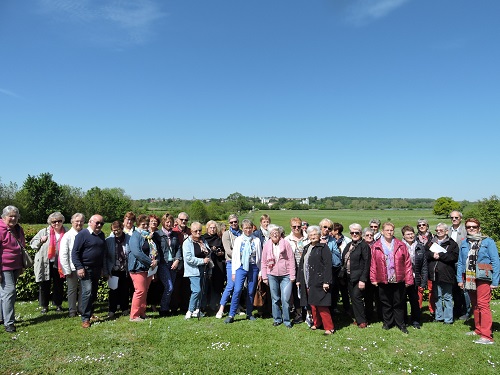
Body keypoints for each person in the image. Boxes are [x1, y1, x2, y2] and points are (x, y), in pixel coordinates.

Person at [457, 218, 499, 345]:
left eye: (474, 227)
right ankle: (478, 329)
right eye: (468, 227)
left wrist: (495, 281)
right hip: (469, 278)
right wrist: (460, 279)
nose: (471, 229)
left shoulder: (488, 242)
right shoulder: (464, 243)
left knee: (483, 304)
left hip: (483, 277)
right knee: (475, 304)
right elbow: (460, 262)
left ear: (479, 228)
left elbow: (496, 261)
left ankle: (487, 336)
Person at [370, 222, 413, 334]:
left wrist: (408, 279)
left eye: (391, 230)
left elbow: (407, 263)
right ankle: (388, 323)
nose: (389, 232)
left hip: (398, 278)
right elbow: (373, 263)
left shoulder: (400, 245)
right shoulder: (376, 246)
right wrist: (373, 278)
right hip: (383, 278)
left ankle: (401, 324)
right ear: (382, 232)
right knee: (386, 302)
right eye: (387, 230)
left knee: (399, 302)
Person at [297, 225, 334, 335]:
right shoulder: (306, 247)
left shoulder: (323, 247)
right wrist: (299, 279)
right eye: (311, 234)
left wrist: (326, 281)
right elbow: (302, 264)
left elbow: (328, 265)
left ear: (319, 235)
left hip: (320, 281)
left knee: (322, 305)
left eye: (315, 234)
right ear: (308, 236)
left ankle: (329, 327)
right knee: (312, 304)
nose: (313, 236)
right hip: (308, 280)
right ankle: (316, 323)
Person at [72, 214, 107, 328]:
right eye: (97, 223)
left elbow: (102, 254)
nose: (99, 225)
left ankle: (90, 313)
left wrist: (102, 268)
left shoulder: (101, 235)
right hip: (85, 269)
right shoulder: (82, 235)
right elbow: (75, 253)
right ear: (90, 222)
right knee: (87, 292)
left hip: (97, 269)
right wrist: (79, 267)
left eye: (101, 223)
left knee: (93, 293)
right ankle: (85, 318)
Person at [224, 219, 262, 323]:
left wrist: (260, 272)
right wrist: (233, 272)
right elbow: (235, 257)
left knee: (250, 291)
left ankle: (249, 313)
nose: (248, 230)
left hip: (253, 267)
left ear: (252, 228)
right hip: (240, 267)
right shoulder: (238, 240)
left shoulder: (256, 240)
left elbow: (260, 257)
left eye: (249, 228)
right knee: (237, 290)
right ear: (242, 228)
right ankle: (231, 314)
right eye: (246, 228)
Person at [31, 211, 67, 314]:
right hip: (45, 262)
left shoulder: (66, 231)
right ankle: (44, 306)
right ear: (50, 223)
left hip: (59, 263)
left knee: (59, 284)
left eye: (59, 221)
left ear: (62, 221)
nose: (56, 223)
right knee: (44, 284)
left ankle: (58, 305)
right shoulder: (43, 232)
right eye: (54, 222)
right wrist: (41, 241)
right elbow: (33, 244)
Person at [261, 224, 295, 328]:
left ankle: (287, 320)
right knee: (275, 298)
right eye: (272, 233)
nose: (275, 234)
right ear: (269, 235)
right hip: (272, 275)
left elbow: (291, 259)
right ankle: (277, 319)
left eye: (276, 232)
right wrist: (264, 276)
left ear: (280, 233)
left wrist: (292, 275)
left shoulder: (286, 243)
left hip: (286, 275)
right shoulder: (267, 245)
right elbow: (263, 261)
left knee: (285, 298)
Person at [425, 223, 459, 325]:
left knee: (447, 296)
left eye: (441, 230)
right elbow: (425, 254)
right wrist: (432, 255)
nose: (438, 232)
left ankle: (448, 319)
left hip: (446, 273)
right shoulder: (430, 242)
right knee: (437, 296)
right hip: (434, 274)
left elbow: (454, 257)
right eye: (437, 230)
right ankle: (439, 316)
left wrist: (440, 255)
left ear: (446, 231)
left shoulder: (452, 244)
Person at [128, 214, 159, 322]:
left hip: (148, 268)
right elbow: (137, 252)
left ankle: (142, 313)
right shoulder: (135, 236)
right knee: (140, 291)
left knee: (145, 291)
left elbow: (154, 250)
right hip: (137, 268)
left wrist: (155, 260)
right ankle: (134, 315)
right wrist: (150, 262)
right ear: (138, 225)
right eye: (143, 224)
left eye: (147, 224)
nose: (145, 226)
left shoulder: (148, 236)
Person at [0, 206, 25, 333]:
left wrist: (21, 266)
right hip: (4, 266)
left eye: (16, 216)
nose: (14, 218)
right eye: (11, 216)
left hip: (15, 265)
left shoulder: (18, 229)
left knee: (4, 293)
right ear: (4, 217)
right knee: (9, 292)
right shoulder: (0, 229)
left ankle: (1, 317)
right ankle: (9, 323)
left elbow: (22, 248)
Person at [341, 223, 371, 328]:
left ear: (361, 233)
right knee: (353, 298)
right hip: (349, 276)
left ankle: (363, 320)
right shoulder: (350, 245)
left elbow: (367, 263)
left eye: (357, 233)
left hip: (359, 277)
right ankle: (358, 318)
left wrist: (363, 279)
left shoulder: (364, 246)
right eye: (352, 233)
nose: (354, 234)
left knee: (357, 297)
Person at [183, 222, 212, 319]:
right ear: (191, 231)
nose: (198, 232)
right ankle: (190, 310)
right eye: (196, 231)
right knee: (196, 290)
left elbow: (208, 251)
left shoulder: (203, 240)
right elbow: (189, 258)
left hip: (203, 269)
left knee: (202, 290)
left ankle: (197, 310)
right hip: (193, 269)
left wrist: (208, 254)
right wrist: (202, 261)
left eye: (200, 230)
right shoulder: (187, 243)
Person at [401, 225, 427, 329]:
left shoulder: (420, 246)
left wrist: (423, 281)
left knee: (414, 300)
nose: (410, 235)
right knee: (402, 300)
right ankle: (404, 320)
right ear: (403, 236)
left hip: (416, 278)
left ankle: (415, 320)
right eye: (408, 234)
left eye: (412, 233)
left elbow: (424, 266)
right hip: (403, 278)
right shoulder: (400, 246)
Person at [59, 213, 85, 318]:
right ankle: (72, 310)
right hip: (72, 268)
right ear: (72, 222)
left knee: (83, 289)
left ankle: (81, 308)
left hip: (83, 267)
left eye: (81, 221)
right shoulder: (67, 236)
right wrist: (66, 270)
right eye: (77, 221)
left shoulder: (85, 233)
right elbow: (63, 254)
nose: (79, 223)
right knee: (72, 290)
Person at [216, 214, 241, 319]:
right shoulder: (227, 234)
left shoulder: (241, 233)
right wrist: (240, 256)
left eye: (235, 221)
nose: (234, 224)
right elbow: (228, 250)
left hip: (241, 263)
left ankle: (236, 307)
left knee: (239, 287)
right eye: (231, 222)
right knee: (230, 285)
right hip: (231, 262)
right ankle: (221, 308)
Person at [104, 221, 131, 318]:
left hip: (125, 269)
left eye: (118, 230)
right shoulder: (109, 240)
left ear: (122, 228)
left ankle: (124, 308)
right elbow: (105, 257)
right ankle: (112, 310)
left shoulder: (129, 239)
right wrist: (106, 271)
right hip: (113, 270)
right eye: (114, 230)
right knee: (113, 291)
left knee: (125, 290)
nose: (116, 232)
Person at [285, 217, 309, 324]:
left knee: (307, 291)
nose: (296, 228)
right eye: (294, 226)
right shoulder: (287, 240)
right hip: (293, 268)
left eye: (299, 226)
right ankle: (298, 313)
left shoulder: (308, 238)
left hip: (307, 268)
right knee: (295, 292)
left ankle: (308, 313)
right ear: (291, 227)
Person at [157, 213, 181, 317]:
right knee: (169, 287)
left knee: (172, 288)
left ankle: (169, 307)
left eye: (170, 222)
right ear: (163, 222)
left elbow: (178, 248)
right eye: (167, 222)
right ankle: (163, 309)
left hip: (173, 264)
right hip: (163, 263)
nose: (169, 223)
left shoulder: (174, 234)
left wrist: (177, 260)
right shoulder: (158, 235)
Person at [449, 210, 470, 320]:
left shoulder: (466, 231)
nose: (454, 219)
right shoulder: (448, 230)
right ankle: (457, 309)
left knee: (464, 289)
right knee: (454, 289)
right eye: (452, 217)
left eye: (456, 217)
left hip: (462, 263)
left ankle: (467, 311)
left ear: (460, 219)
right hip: (451, 263)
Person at [202, 220, 225, 312]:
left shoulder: (219, 239)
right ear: (207, 228)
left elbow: (224, 251)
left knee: (217, 285)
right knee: (207, 285)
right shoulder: (203, 238)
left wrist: (220, 252)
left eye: (214, 227)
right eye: (211, 227)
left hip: (218, 265)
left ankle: (214, 304)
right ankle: (204, 305)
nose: (212, 229)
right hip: (207, 265)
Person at [416, 218, 434, 316]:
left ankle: (432, 310)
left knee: (432, 289)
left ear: (427, 226)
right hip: (419, 267)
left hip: (430, 265)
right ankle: (418, 309)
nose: (422, 226)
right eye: (419, 225)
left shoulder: (433, 237)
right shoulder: (414, 238)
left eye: (424, 225)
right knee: (420, 288)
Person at [146, 214, 162, 312]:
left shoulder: (158, 234)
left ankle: (153, 304)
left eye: (155, 221)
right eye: (152, 221)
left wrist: (157, 260)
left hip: (156, 261)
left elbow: (160, 249)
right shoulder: (143, 233)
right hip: (146, 261)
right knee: (145, 285)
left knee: (155, 284)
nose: (153, 223)